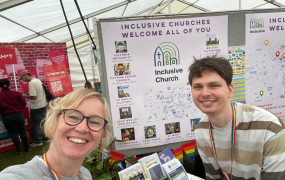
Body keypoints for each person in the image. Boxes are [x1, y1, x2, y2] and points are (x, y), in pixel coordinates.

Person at [188, 57, 285, 180]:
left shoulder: (269, 127)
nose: (205, 93)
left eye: (213, 85)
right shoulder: (201, 130)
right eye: (198, 87)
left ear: (230, 90)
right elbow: (214, 177)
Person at [0, 88, 112, 179]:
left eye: (94, 122)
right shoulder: (18, 177)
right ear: (54, 122)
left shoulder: (85, 175)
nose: (82, 128)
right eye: (73, 117)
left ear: (102, 135)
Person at [0, 79, 30, 154]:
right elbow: (23, 103)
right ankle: (27, 147)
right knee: (22, 132)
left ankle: (19, 150)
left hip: (7, 116)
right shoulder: (16, 93)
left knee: (14, 134)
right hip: (18, 114)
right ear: (9, 84)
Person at [19, 70, 48, 147]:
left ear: (25, 76)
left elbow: (34, 97)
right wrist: (29, 93)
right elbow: (40, 91)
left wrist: (24, 96)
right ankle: (46, 138)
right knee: (43, 123)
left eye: (22, 78)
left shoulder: (31, 83)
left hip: (36, 107)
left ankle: (37, 141)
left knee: (34, 125)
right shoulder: (37, 80)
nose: (23, 80)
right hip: (43, 105)